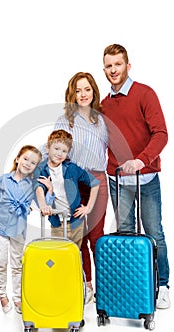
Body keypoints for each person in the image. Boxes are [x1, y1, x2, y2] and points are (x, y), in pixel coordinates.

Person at [101, 43, 170, 309]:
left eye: (118, 64)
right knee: (125, 233)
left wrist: (142, 160)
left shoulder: (144, 93)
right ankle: (132, 285)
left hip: (146, 179)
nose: (113, 70)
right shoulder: (104, 104)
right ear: (104, 69)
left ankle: (162, 285)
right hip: (118, 181)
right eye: (109, 66)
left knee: (154, 232)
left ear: (128, 66)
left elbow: (161, 133)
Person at [53, 72, 108, 303]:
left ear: (93, 91)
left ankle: (104, 287)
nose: (83, 94)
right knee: (79, 235)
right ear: (72, 94)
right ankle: (86, 285)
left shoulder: (102, 120)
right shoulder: (65, 120)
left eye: (87, 89)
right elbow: (53, 150)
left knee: (97, 237)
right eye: (78, 90)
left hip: (97, 180)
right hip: (73, 182)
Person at [0, 145, 53, 314]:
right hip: (0, 226)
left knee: (17, 264)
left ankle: (17, 297)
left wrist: (49, 189)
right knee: (1, 261)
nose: (28, 164)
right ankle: (2, 294)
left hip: (19, 229)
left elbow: (44, 203)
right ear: (17, 159)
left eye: (33, 162)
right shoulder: (4, 179)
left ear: (36, 167)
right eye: (26, 159)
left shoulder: (33, 185)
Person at [33, 129, 100, 248]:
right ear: (48, 148)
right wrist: (43, 206)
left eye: (64, 151)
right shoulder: (41, 168)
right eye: (56, 148)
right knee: (59, 257)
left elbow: (95, 183)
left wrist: (88, 208)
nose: (60, 154)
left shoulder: (72, 168)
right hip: (57, 223)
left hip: (76, 223)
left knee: (74, 255)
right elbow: (38, 188)